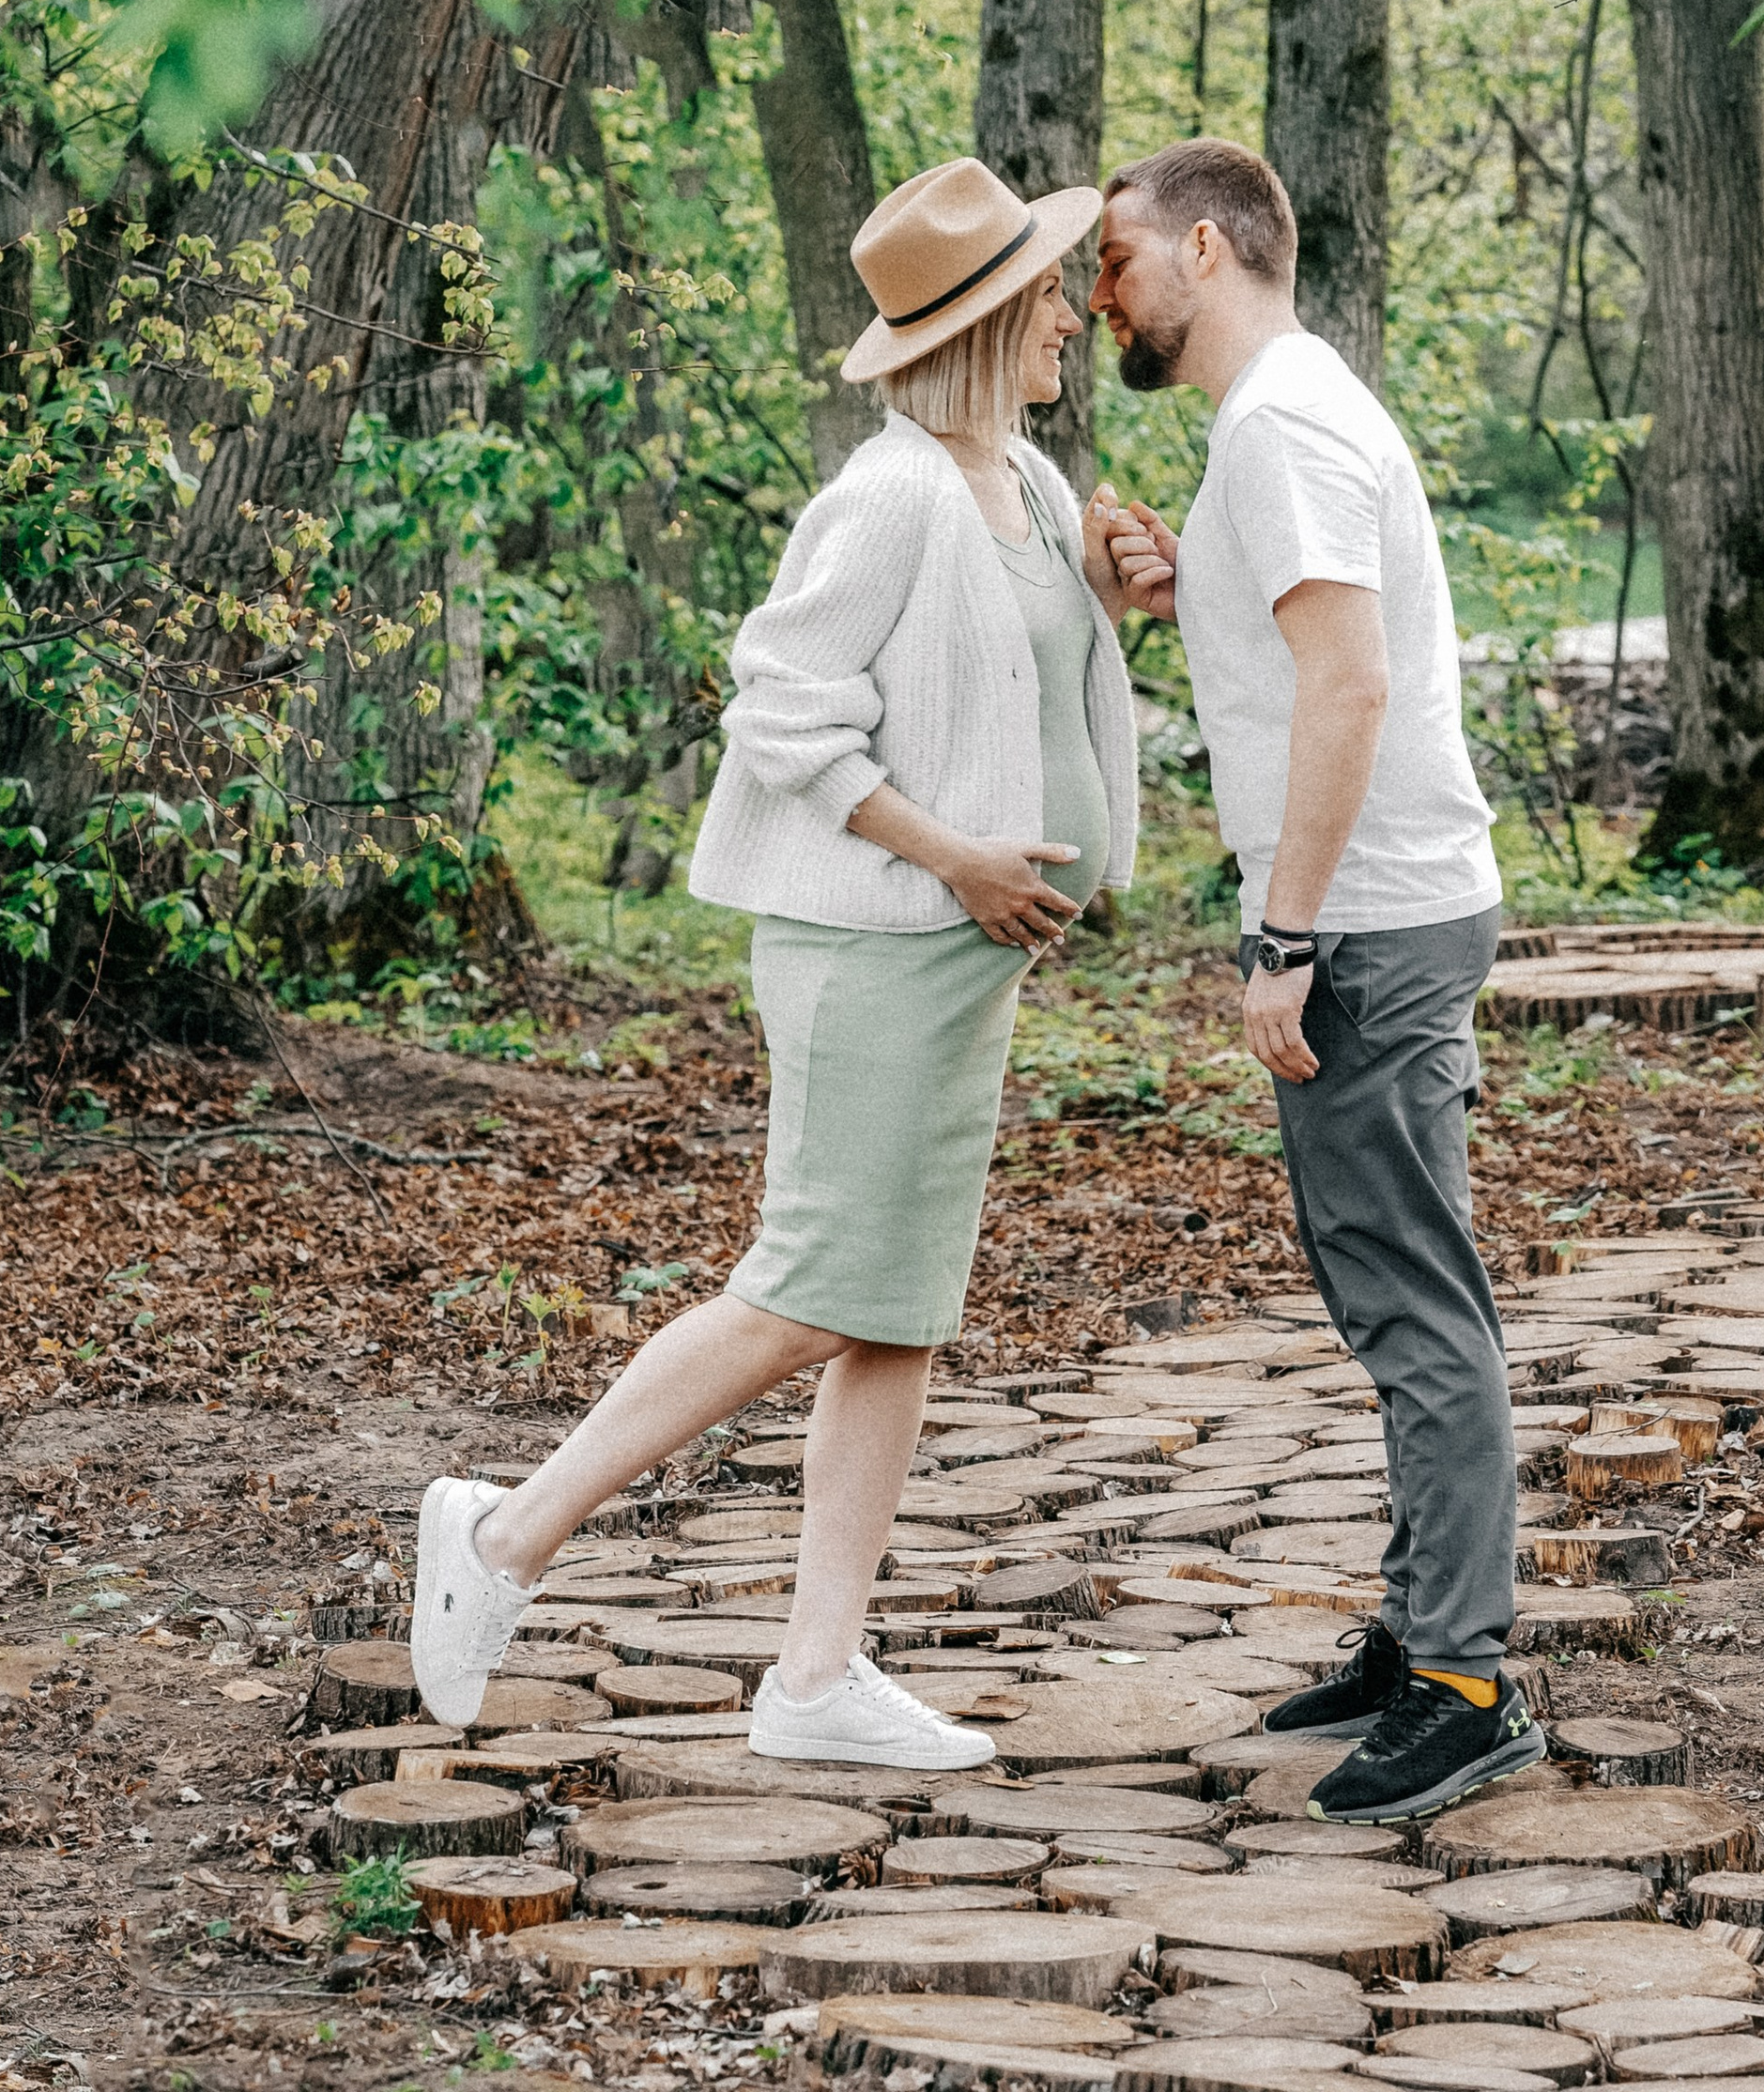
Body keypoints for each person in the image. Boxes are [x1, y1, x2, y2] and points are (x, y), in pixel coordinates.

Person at [411, 156, 1137, 1769]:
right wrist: (954, 857)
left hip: (961, 966)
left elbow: (995, 683)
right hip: (874, 943)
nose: (1071, 326)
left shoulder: (1018, 483)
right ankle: (501, 1538)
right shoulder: (881, 498)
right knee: (812, 1289)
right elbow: (782, 708)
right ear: (985, 321)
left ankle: (816, 1678)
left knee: (896, 1311)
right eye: (1044, 304)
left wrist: (1105, 595)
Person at [1092, 137, 1538, 1826]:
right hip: (1390, 909)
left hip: (1367, 921)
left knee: (1414, 1300)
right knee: (1402, 1280)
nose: (1103, 297)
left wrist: (1283, 938)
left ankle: (1465, 1682)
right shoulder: (1286, 413)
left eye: (1119, 261)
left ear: (1208, 251)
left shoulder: (1278, 424)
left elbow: (1347, 691)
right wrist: (1173, 577)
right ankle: (1423, 1629)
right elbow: (1306, 646)